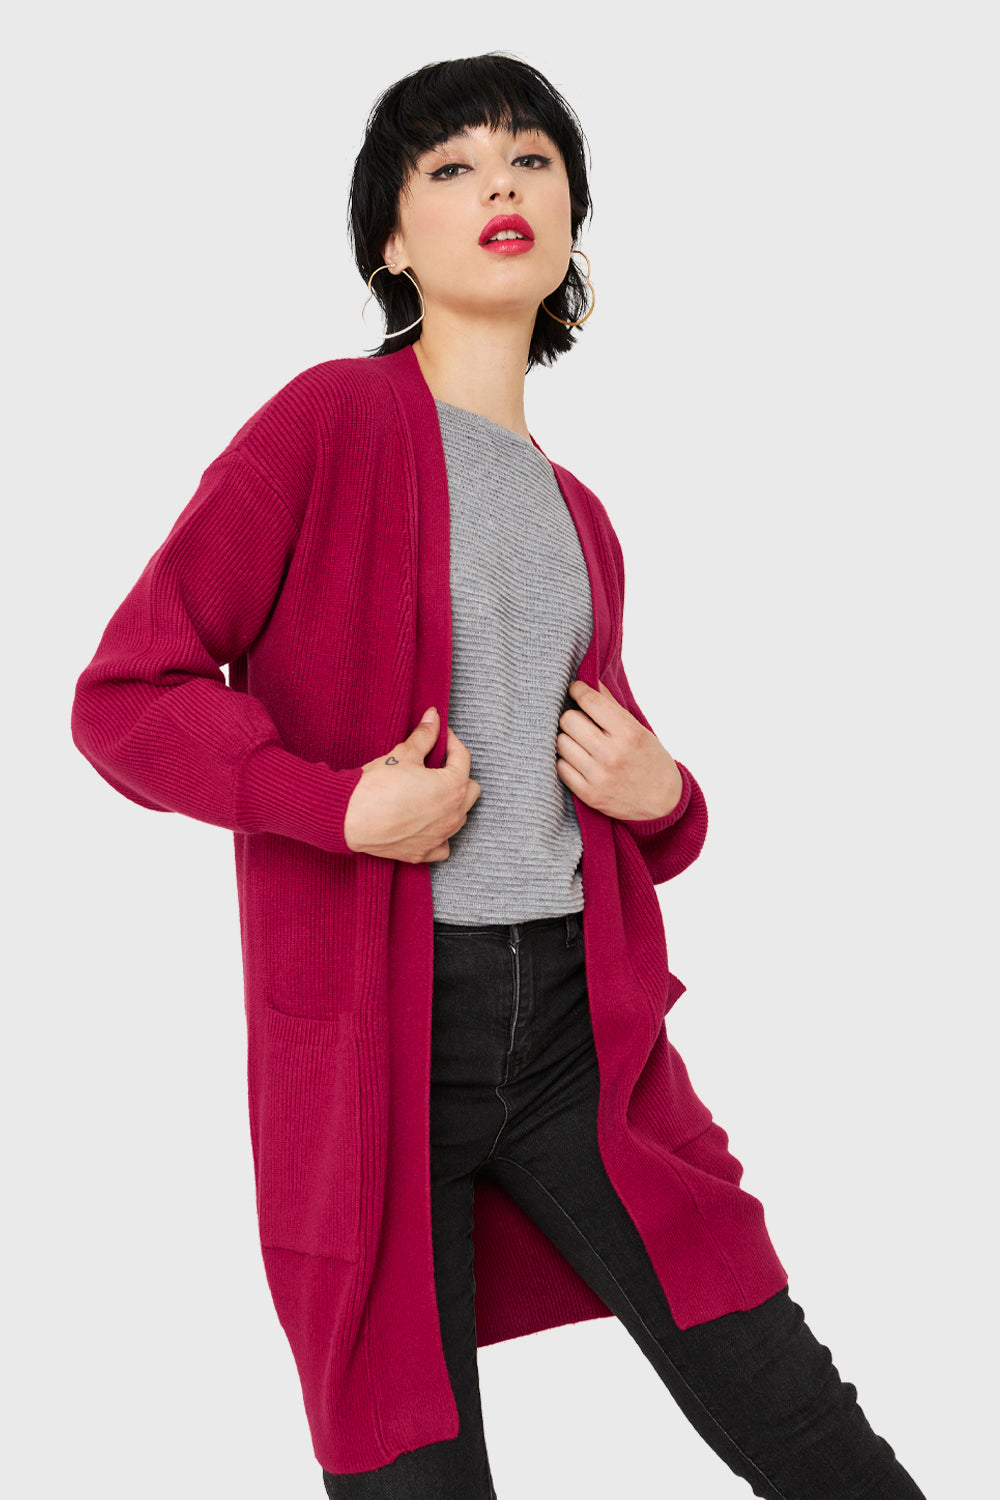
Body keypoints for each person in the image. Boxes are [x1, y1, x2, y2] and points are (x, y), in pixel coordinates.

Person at [71, 52, 927, 1499]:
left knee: (796, 1412)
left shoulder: (578, 512)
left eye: (530, 159)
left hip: (582, 1036)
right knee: (411, 1466)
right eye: (452, 168)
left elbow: (610, 778)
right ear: (393, 242)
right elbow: (124, 697)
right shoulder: (328, 424)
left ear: (572, 214)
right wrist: (340, 806)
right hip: (387, 1043)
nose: (501, 186)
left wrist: (668, 798)